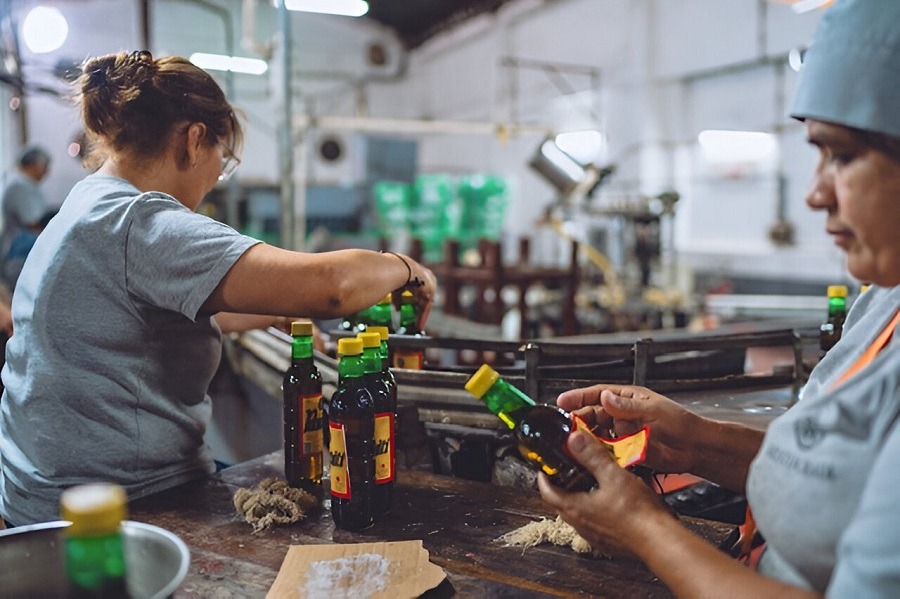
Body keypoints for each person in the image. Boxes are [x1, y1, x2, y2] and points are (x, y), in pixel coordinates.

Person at [538, 0, 900, 596]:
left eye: (843, 155)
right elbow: (836, 476)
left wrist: (642, 529)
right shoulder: (883, 297)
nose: (814, 194)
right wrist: (690, 439)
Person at [0, 50, 436, 526]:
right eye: (221, 161)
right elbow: (332, 287)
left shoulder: (86, 203)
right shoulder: (142, 221)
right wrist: (405, 266)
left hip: (38, 497)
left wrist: (272, 308)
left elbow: (147, 314)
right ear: (192, 140)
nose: (213, 179)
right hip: (123, 508)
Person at [0, 144, 51, 286]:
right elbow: (33, 223)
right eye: (45, 167)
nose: (46, 172)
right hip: (18, 254)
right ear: (35, 164)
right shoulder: (20, 185)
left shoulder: (15, 181)